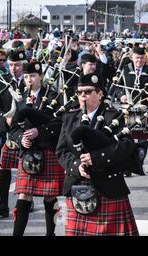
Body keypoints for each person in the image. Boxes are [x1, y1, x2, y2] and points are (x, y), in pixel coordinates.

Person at [55, 73, 139, 236]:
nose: (82, 96)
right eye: (79, 92)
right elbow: (61, 151)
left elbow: (127, 146)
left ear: (100, 94)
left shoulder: (113, 116)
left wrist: (97, 157)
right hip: (77, 186)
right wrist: (77, 166)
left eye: (87, 91)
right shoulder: (70, 118)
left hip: (107, 186)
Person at [12, 62, 64, 236]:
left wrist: (39, 132)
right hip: (27, 154)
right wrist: (21, 139)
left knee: (50, 196)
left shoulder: (53, 97)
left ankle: (51, 234)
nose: (29, 80)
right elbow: (13, 128)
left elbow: (60, 124)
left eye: (33, 76)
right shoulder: (19, 98)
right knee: (24, 195)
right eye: (26, 77)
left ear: (41, 76)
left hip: (47, 150)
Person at [0, 50, 27, 218]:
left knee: (26, 167)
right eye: (11, 65)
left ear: (23, 65)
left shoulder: (30, 81)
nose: (14, 68)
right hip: (9, 131)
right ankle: (3, 203)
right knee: (4, 167)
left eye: (17, 65)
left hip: (28, 130)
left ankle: (28, 200)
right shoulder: (3, 81)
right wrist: (4, 118)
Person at [116, 46, 148, 175]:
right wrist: (120, 95)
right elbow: (117, 87)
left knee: (143, 139)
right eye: (137, 58)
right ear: (132, 57)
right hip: (128, 108)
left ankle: (139, 163)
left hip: (144, 108)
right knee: (127, 138)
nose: (139, 60)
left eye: (141, 58)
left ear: (145, 58)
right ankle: (127, 167)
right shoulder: (124, 69)